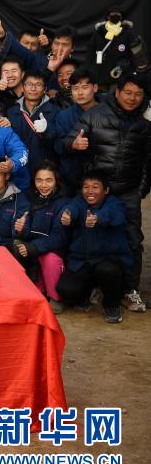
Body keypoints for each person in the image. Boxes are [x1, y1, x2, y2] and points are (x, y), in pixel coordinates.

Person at [64, 72, 150, 312]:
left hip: (128, 191)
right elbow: (67, 141)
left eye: (138, 94)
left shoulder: (144, 123)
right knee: (92, 234)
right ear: (117, 92)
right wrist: (74, 144)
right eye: (128, 92)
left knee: (133, 240)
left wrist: (140, 190)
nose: (132, 98)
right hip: (97, 190)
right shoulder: (95, 115)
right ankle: (94, 285)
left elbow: (147, 161)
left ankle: (129, 290)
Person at [56, 171, 132, 323]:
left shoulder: (115, 203)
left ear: (106, 190)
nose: (90, 191)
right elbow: (71, 208)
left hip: (107, 259)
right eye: (86, 187)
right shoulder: (79, 201)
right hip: (83, 260)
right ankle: (87, 294)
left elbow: (112, 214)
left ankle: (111, 305)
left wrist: (97, 218)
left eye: (95, 187)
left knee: (107, 271)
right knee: (66, 289)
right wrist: (66, 215)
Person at [17, 164, 69, 313]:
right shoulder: (28, 198)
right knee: (14, 248)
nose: (43, 185)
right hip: (32, 249)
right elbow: (23, 228)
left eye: (49, 180)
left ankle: (55, 297)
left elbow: (59, 237)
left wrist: (34, 247)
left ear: (56, 181)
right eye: (39, 180)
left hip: (51, 249)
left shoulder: (64, 203)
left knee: (50, 259)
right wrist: (20, 230)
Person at [51, 68, 99, 194]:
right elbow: (58, 146)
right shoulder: (64, 116)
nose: (80, 92)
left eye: (85, 87)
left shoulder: (108, 110)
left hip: (102, 174)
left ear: (95, 88)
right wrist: (72, 144)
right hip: (74, 178)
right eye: (75, 88)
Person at [5, 69, 60, 178]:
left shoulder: (55, 111)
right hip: (19, 170)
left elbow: (58, 144)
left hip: (44, 171)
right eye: (29, 84)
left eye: (38, 85)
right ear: (23, 87)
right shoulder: (11, 112)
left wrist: (46, 129)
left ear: (45, 89)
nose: (33, 88)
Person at [89, 5, 148, 91]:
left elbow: (135, 54)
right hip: (100, 74)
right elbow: (90, 52)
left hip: (120, 73)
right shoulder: (99, 32)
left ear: (121, 17)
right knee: (100, 96)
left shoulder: (128, 32)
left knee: (117, 95)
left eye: (118, 15)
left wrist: (128, 66)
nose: (115, 16)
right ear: (108, 17)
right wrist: (90, 70)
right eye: (112, 14)